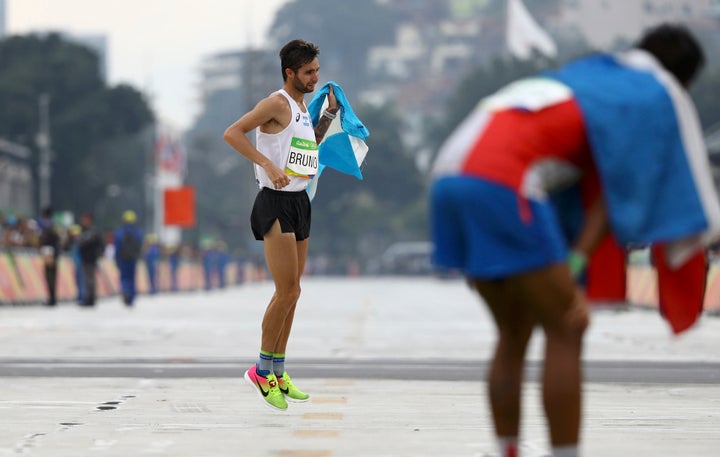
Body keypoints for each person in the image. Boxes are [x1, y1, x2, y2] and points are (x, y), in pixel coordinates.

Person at [429, 24, 719, 457]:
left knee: (513, 329)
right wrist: (577, 262)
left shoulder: (587, 78)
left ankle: (506, 449)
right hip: (503, 180)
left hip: (450, 172)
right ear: (682, 81)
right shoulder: (644, 97)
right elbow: (613, 192)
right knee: (568, 324)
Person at [223, 38, 339, 411]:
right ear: (290, 72)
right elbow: (233, 133)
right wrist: (266, 164)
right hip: (273, 202)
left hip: (300, 202)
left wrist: (326, 119)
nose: (315, 78)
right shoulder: (276, 103)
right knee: (285, 291)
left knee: (295, 290)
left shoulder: (304, 108)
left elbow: (307, 150)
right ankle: (260, 370)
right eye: (308, 72)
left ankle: (279, 370)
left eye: (317, 71)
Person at [113, 210, 143, 306]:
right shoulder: (137, 232)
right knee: (132, 278)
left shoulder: (119, 232)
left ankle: (125, 291)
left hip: (123, 258)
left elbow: (117, 247)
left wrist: (117, 258)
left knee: (124, 277)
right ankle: (131, 297)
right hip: (133, 259)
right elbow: (139, 246)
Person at [77, 212, 104, 307]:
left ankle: (90, 299)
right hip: (84, 258)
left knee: (90, 280)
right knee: (86, 279)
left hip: (91, 259)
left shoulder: (93, 232)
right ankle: (87, 298)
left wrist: (98, 255)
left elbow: (100, 245)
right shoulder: (82, 230)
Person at [37, 206, 60, 306]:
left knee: (50, 276)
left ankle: (52, 299)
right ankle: (52, 298)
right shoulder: (55, 225)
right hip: (54, 252)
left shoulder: (46, 225)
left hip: (49, 252)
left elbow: (45, 240)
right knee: (53, 276)